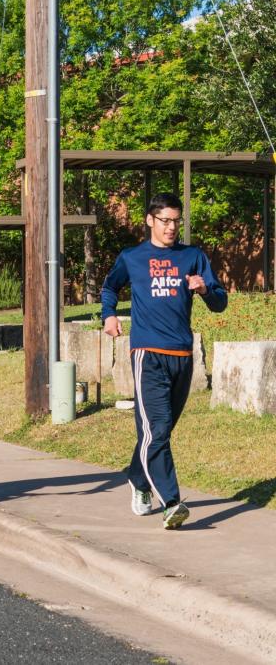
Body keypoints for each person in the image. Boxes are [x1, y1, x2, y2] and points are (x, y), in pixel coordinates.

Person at [101, 192, 227, 530]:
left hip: (182, 356)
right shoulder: (132, 257)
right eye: (165, 221)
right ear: (150, 221)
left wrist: (204, 290)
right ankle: (172, 502)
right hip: (147, 354)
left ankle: (138, 479)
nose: (171, 227)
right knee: (156, 430)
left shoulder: (193, 257)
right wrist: (109, 315)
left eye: (176, 221)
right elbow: (110, 287)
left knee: (159, 431)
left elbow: (220, 303)